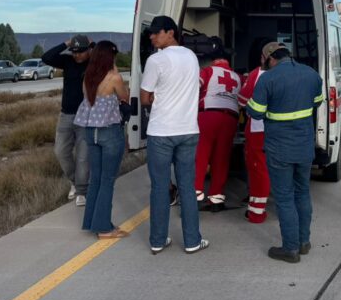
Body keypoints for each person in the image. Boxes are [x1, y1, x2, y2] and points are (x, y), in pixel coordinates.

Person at [245, 45, 323, 263]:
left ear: (270, 58)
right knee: (303, 192)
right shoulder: (311, 74)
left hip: (279, 148)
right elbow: (317, 102)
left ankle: (290, 248)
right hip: (304, 146)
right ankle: (304, 242)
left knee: (285, 197)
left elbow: (255, 112)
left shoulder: (268, 79)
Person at [139, 15, 208, 255]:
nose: (152, 36)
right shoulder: (191, 57)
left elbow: (145, 97)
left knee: (160, 187)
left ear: (170, 32)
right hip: (188, 130)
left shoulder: (155, 60)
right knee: (187, 187)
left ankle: (158, 241)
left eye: (156, 32)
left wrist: (158, 98)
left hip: (161, 131)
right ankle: (192, 241)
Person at [73, 41, 129, 239]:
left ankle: (92, 221)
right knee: (107, 180)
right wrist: (115, 70)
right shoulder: (114, 77)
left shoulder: (87, 77)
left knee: (95, 178)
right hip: (109, 131)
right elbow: (124, 97)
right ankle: (104, 228)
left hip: (91, 131)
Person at [42, 35, 94, 207]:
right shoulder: (67, 61)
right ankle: (75, 182)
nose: (76, 55)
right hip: (66, 116)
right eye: (74, 51)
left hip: (86, 117)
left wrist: (93, 45)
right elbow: (46, 57)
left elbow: (108, 56)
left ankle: (81, 191)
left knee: (82, 157)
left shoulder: (93, 63)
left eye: (80, 52)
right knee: (61, 152)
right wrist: (66, 43)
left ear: (88, 50)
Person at [238, 41, 282, 224]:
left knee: (259, 170)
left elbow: (242, 100)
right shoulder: (293, 73)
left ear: (264, 58)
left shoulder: (258, 74)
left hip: (259, 129)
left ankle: (256, 212)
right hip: (285, 130)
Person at [194, 43, 242, 212]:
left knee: (201, 155)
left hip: (208, 114)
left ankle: (195, 195)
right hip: (231, 118)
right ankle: (216, 199)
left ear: (212, 60)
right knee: (222, 158)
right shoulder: (237, 77)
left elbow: (193, 88)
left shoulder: (207, 71)